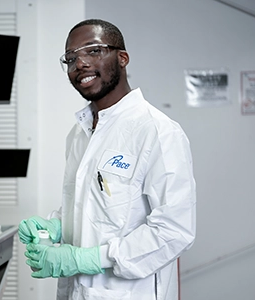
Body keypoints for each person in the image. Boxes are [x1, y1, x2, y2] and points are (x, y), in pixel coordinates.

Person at [18, 19, 196, 300]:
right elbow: (93, 208)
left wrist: (88, 259)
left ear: (122, 58)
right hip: (77, 292)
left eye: (93, 51)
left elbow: (173, 232)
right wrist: (57, 225)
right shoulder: (79, 133)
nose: (80, 64)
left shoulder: (157, 132)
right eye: (71, 58)